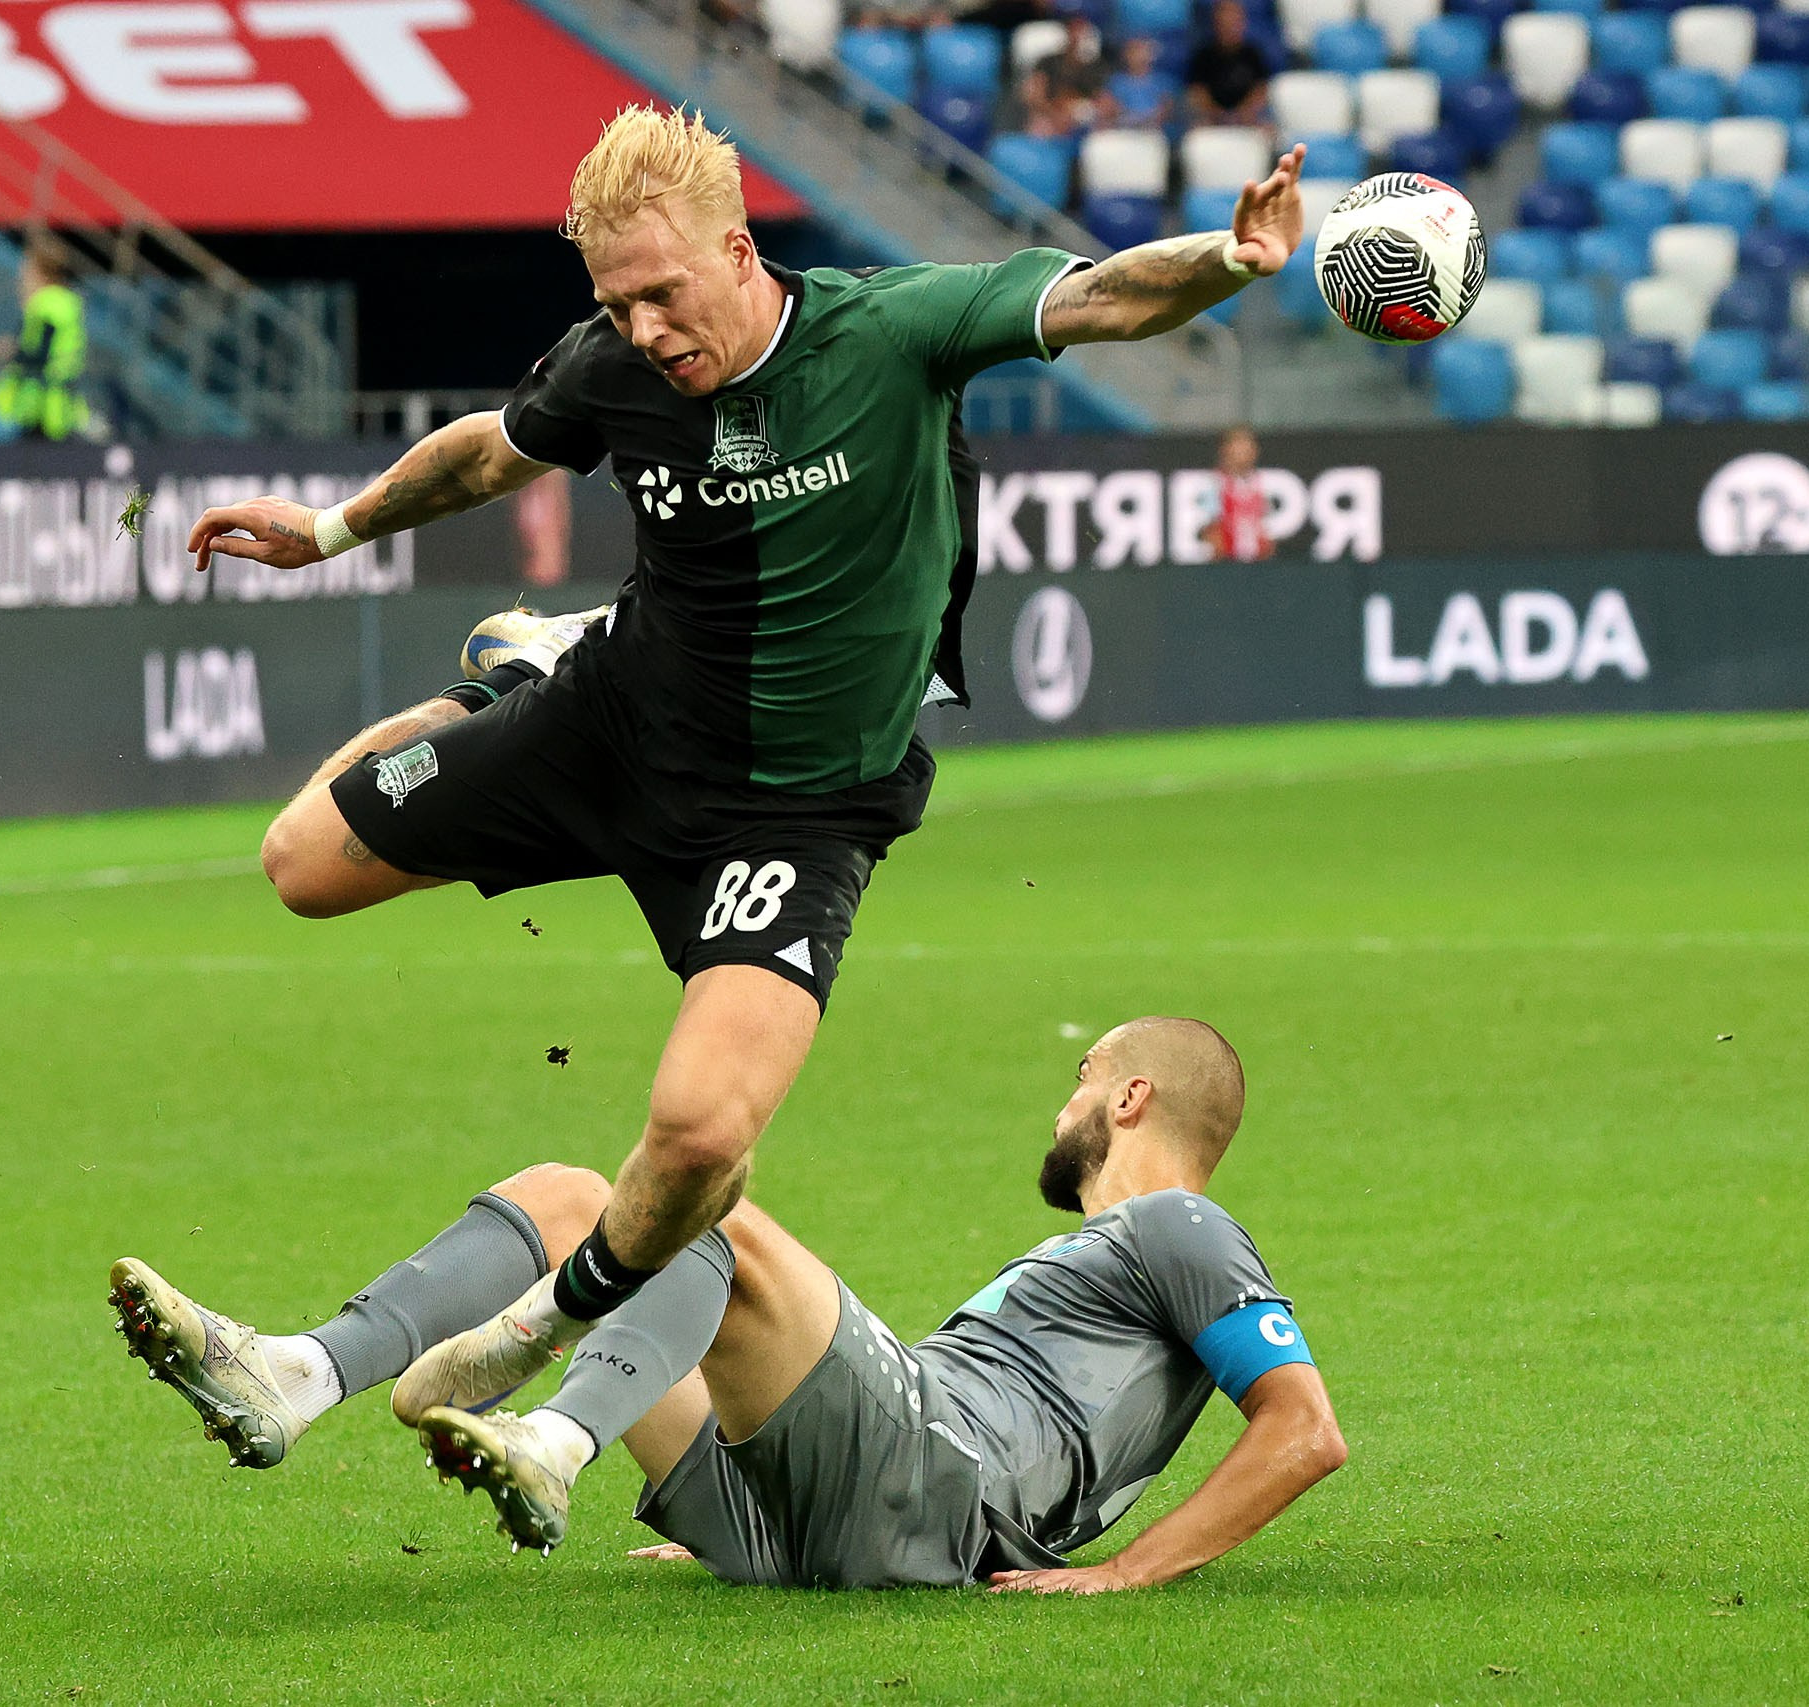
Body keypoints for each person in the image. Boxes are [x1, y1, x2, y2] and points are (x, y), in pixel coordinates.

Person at [179, 105, 1308, 1442]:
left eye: (664, 292)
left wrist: (1227, 260)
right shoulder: (612, 367)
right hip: (613, 718)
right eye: (618, 301)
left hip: (798, 804)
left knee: (704, 1131)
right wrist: (326, 528)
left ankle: (544, 1321)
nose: (648, 327)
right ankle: (516, 676)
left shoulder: (891, 330)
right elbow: (494, 446)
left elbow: (1100, 297)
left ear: (738, 247)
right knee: (298, 865)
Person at [108, 1017, 1347, 1587]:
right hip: (816, 1511)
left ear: (1128, 1101)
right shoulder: (1102, 1260)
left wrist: (1131, 1574)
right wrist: (759, 1490)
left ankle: (554, 1440)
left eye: (1079, 1082)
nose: (1061, 1105)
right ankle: (297, 1374)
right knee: (567, 1198)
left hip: (939, 1489)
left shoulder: (1179, 1224)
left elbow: (1303, 1428)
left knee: (707, 1196)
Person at [0, 237, 87, 440]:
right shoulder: (65, 301)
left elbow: (42, 354)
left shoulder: (48, 304)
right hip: (54, 405)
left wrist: (12, 352)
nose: (22, 276)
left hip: (44, 405)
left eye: (26, 270)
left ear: (39, 272)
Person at [1186, 0, 1273, 128]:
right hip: (1212, 118)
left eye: (1234, 22)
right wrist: (1218, 114)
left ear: (1242, 23)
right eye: (1224, 22)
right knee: (1195, 132)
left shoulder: (1253, 54)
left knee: (1269, 131)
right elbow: (1198, 92)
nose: (1229, 27)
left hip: (1247, 117)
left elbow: (1261, 90)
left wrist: (1244, 113)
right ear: (1215, 23)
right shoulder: (1203, 56)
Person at [1205, 424, 1273, 562]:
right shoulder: (1213, 484)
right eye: (1239, 444)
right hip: (1224, 566)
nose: (1245, 450)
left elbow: (1269, 531)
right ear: (1225, 449)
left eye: (1248, 445)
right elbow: (1208, 530)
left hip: (1259, 567)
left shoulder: (1265, 483)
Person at [1105, 34, 1176, 130]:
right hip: (1124, 130)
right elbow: (1111, 108)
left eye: (1143, 51)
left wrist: (1151, 120)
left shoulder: (1163, 81)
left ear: (1151, 55)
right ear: (1126, 55)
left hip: (1154, 130)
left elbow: (1167, 108)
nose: (1139, 55)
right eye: (1134, 51)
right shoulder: (1116, 82)